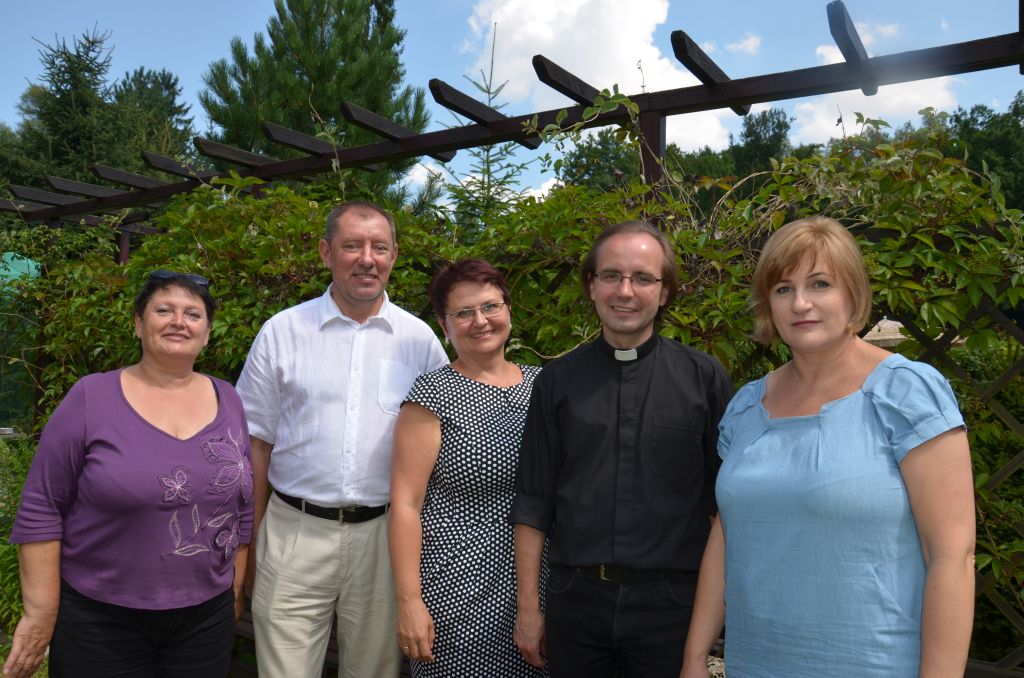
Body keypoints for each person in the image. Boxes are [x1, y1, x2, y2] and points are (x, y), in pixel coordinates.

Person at [680, 216, 976, 677]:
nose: (800, 303)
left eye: (820, 284)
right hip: (754, 664)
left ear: (852, 294)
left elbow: (953, 557)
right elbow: (726, 535)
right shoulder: (746, 407)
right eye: (783, 288)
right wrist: (695, 656)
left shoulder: (905, 394)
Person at [235, 200, 448, 677]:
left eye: (379, 247)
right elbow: (256, 445)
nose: (367, 259)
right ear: (326, 252)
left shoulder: (421, 342)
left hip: (383, 538)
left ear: (395, 255)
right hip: (293, 533)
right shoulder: (282, 332)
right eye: (352, 246)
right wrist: (251, 541)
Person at [511, 220, 733, 677]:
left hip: (672, 607)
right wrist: (528, 609)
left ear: (664, 292)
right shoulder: (556, 382)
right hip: (576, 604)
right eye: (611, 275)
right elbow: (534, 501)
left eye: (643, 278)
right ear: (592, 286)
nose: (625, 291)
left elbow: (724, 506)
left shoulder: (704, 379)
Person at [4, 270, 252, 678]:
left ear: (207, 333)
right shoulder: (91, 397)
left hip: (204, 622)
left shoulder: (228, 398)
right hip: (101, 622)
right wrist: (40, 614)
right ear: (138, 323)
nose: (178, 321)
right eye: (164, 310)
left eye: (193, 314)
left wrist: (234, 590)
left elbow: (241, 507)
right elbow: (42, 507)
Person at [389, 258, 545, 677]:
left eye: (490, 306)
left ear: (509, 309)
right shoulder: (432, 393)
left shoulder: (543, 385)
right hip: (458, 587)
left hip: (537, 583)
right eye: (463, 312)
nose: (480, 320)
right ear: (444, 324)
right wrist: (409, 601)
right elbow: (405, 504)